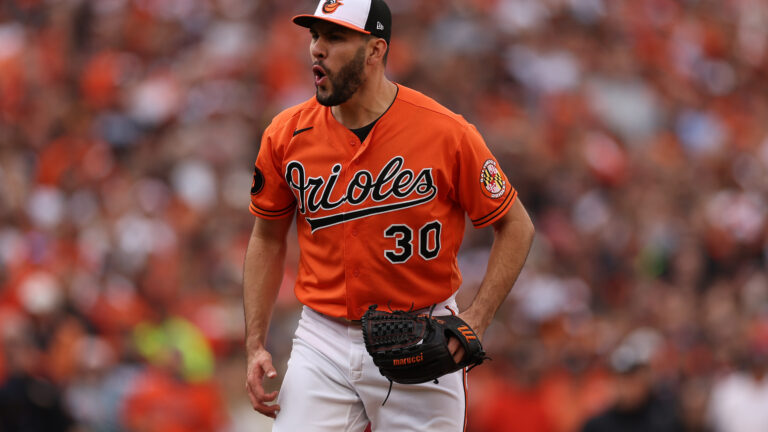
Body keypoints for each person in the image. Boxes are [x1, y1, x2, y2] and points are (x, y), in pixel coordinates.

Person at [242, 0, 535, 429]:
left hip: (421, 334)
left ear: (376, 50)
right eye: (315, 36)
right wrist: (255, 344)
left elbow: (516, 226)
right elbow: (266, 237)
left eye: (335, 37)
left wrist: (476, 317)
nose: (317, 50)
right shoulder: (287, 134)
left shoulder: (444, 132)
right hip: (322, 339)